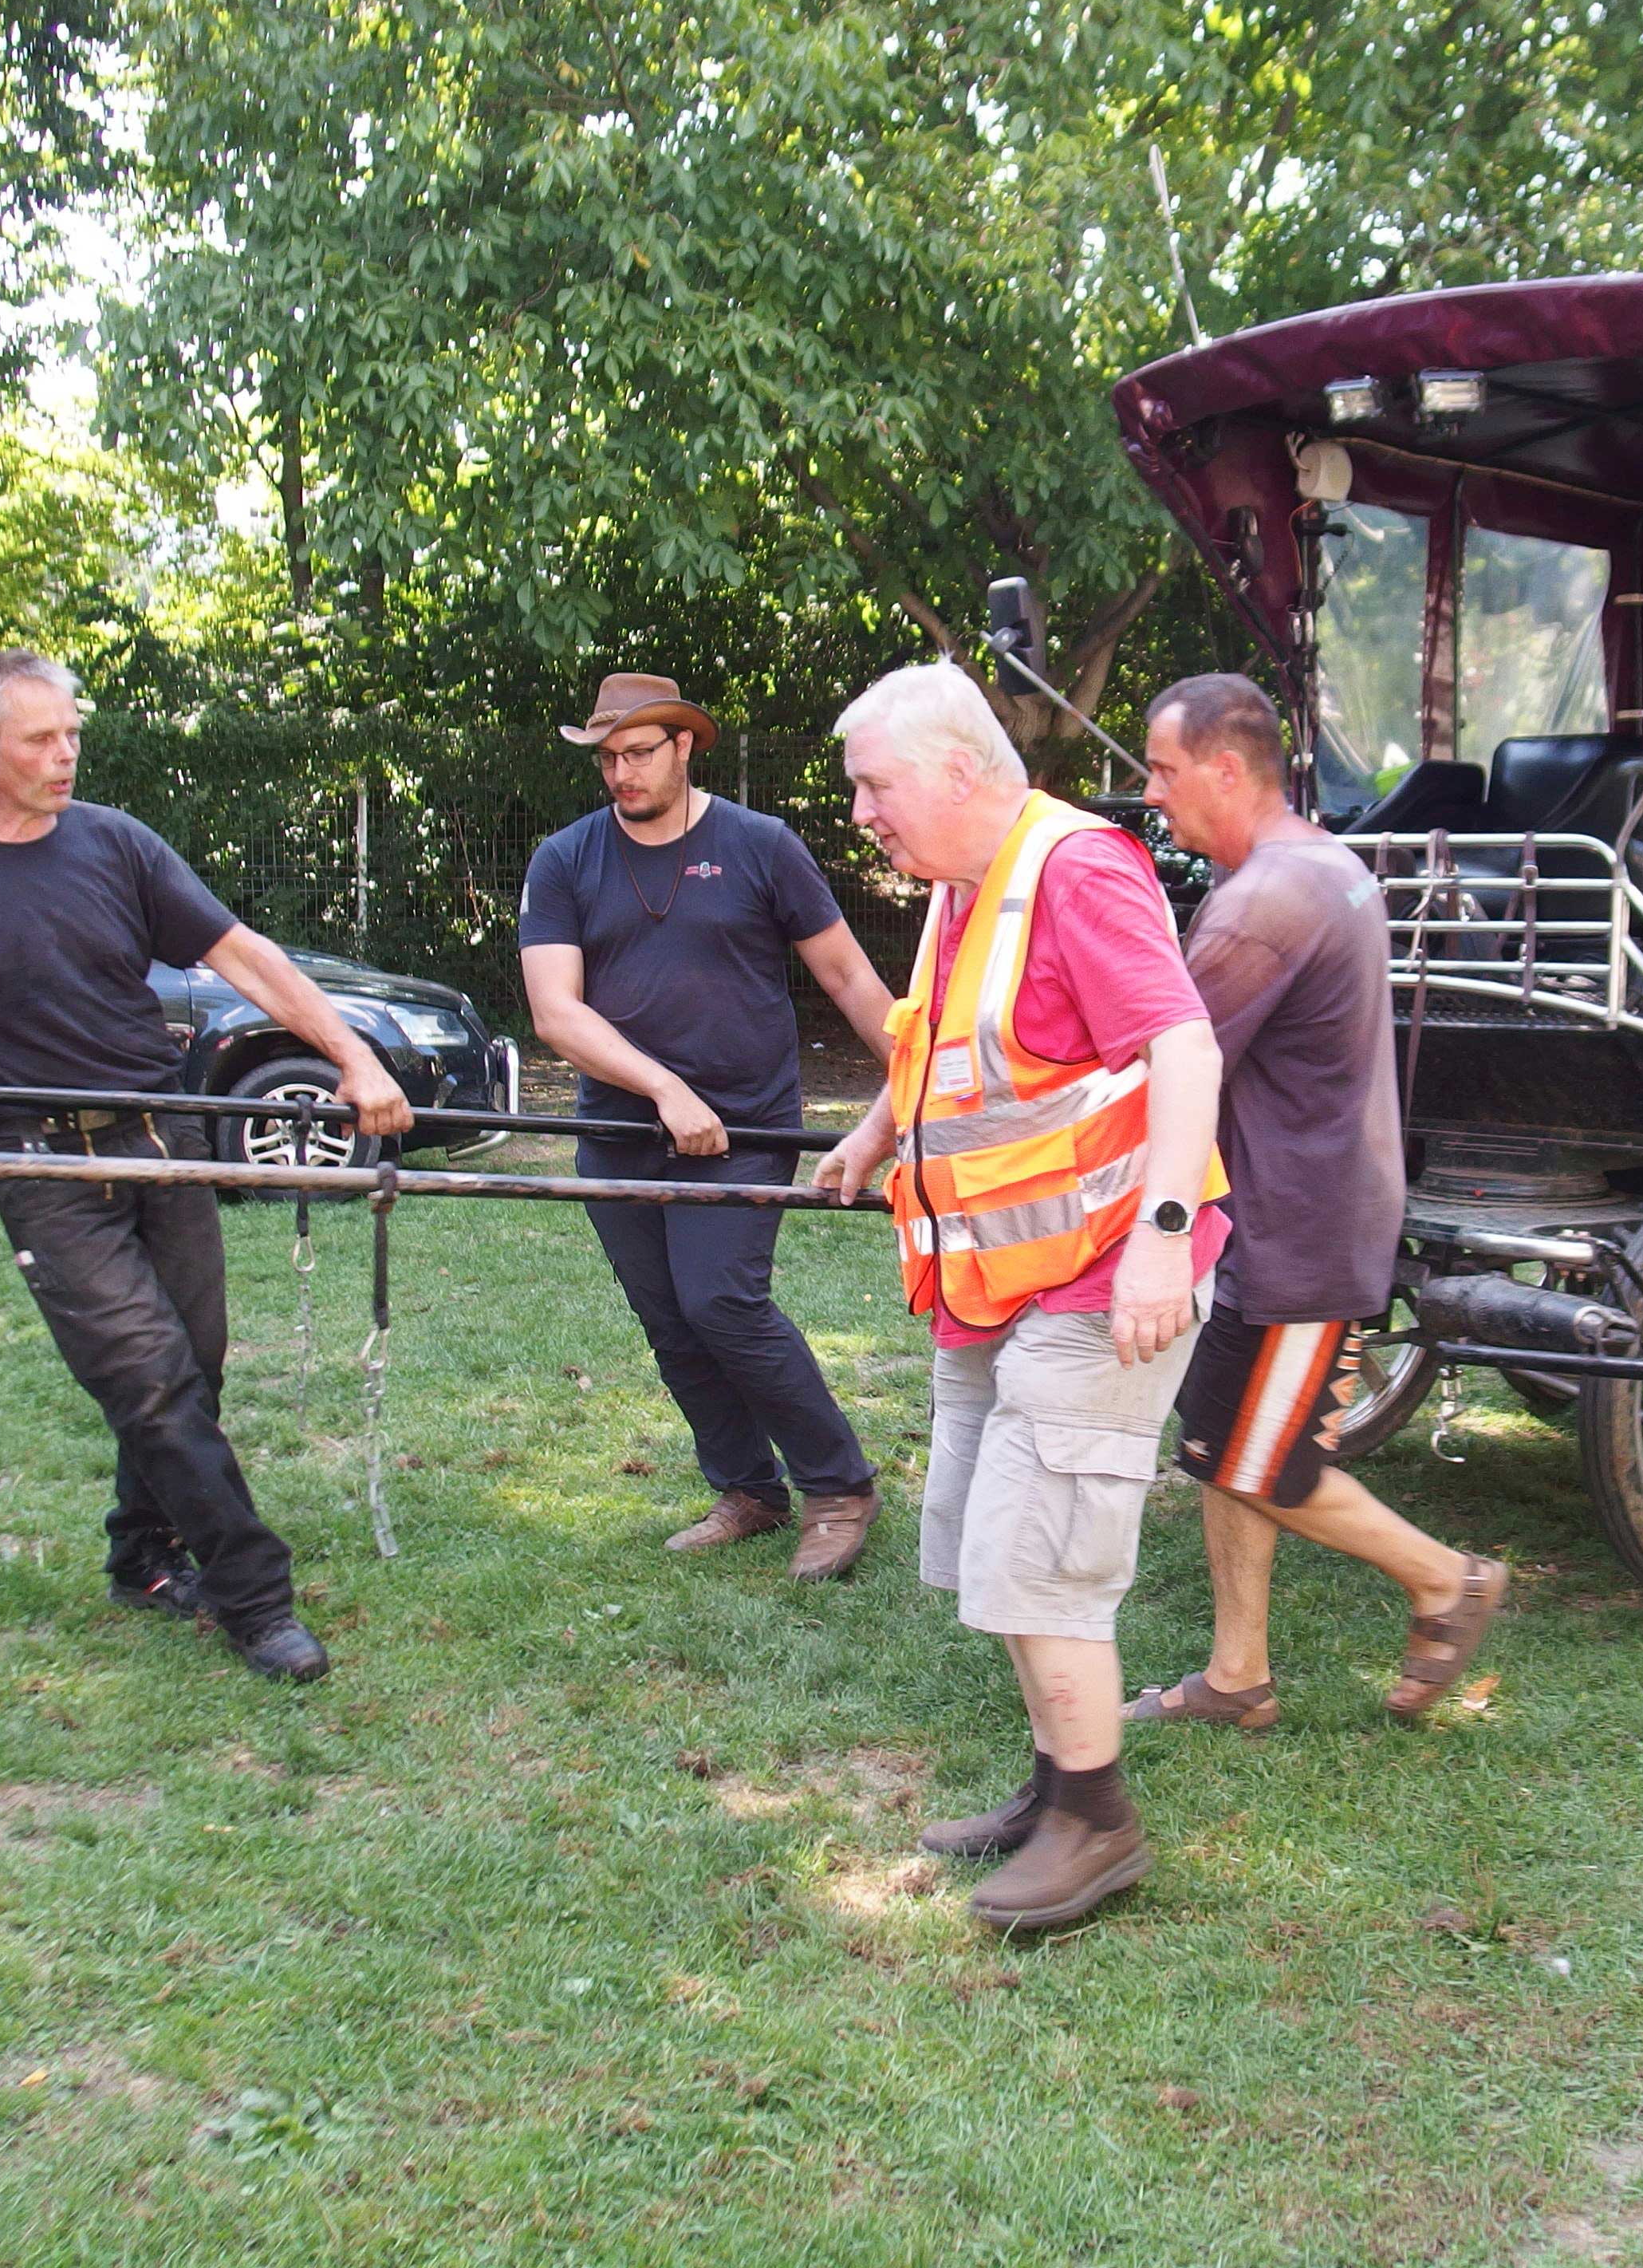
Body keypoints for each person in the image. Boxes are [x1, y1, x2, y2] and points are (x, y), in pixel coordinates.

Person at [0, 649, 414, 1682]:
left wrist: (353, 1056)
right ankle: (253, 1596)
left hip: (159, 1141)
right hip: (41, 1167)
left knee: (194, 1365)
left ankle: (142, 1557)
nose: (65, 756)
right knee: (150, 1382)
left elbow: (244, 956)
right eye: (41, 740)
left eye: (72, 735)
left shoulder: (117, 845)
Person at [814, 661, 1228, 1932]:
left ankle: (1097, 1827)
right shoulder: (962, 887)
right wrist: (879, 1132)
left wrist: (1162, 1244)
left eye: (876, 787)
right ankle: (1056, 1789)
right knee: (996, 1545)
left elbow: (1185, 1049)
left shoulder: (1081, 869)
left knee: (1040, 1559)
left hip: (1103, 1281)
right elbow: (940, 1037)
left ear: (954, 768)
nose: (865, 814)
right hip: (999, 1288)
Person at [1128, 672, 1507, 1732]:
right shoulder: (1321, 865)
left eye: (1162, 771)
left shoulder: (1265, 904)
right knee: (1218, 1439)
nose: (1151, 793)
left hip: (1305, 1225)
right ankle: (1237, 1677)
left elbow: (1171, 1061)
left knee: (1262, 1459)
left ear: (1226, 769)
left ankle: (1446, 1580)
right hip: (1288, 1210)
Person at [519, 673, 899, 1578]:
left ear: (684, 745)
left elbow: (847, 977)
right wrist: (660, 1089)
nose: (620, 773)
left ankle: (839, 1486)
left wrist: (920, 1080)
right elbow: (553, 1012)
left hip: (746, 1122)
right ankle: (748, 1491)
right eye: (607, 757)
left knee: (721, 1301)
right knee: (670, 1320)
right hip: (621, 1129)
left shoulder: (761, 846)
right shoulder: (565, 860)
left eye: (638, 753)